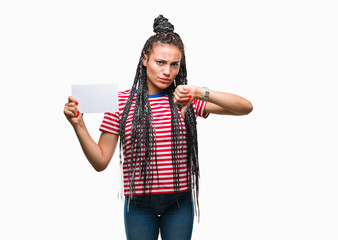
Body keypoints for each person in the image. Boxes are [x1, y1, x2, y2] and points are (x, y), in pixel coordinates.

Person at [64, 15, 253, 240]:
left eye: (175, 65)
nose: (167, 71)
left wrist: (199, 92)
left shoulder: (185, 99)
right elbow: (100, 161)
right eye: (160, 62)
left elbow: (245, 107)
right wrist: (79, 125)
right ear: (145, 60)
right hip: (139, 205)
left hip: (180, 202)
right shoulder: (120, 102)